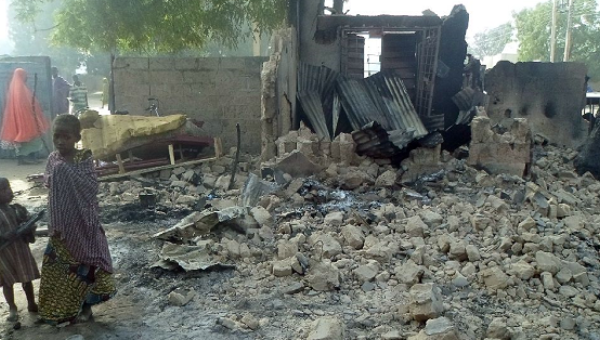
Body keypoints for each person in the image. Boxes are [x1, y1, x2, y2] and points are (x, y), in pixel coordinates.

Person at [40, 114, 116, 325]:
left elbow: (91, 187)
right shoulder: (53, 159)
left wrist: (65, 172)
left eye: (66, 137)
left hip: (83, 223)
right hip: (59, 225)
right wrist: (59, 172)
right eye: (57, 137)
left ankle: (86, 308)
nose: (61, 141)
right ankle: (61, 311)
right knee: (60, 270)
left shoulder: (83, 160)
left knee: (86, 266)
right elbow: (49, 184)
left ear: (76, 138)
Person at [0, 178, 40, 322]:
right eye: (3, 190)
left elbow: (29, 223)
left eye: (8, 188)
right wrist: (3, 235)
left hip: (21, 250)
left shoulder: (17, 209)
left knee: (26, 278)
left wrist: (28, 227)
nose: (8, 192)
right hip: (5, 254)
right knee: (7, 282)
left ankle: (31, 303)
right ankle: (12, 308)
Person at [0, 68, 50, 165]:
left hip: (22, 119)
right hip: (25, 119)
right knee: (31, 139)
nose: (26, 77)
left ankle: (26, 159)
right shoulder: (20, 88)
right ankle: (26, 159)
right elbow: (24, 105)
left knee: (28, 140)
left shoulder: (17, 87)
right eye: (25, 75)